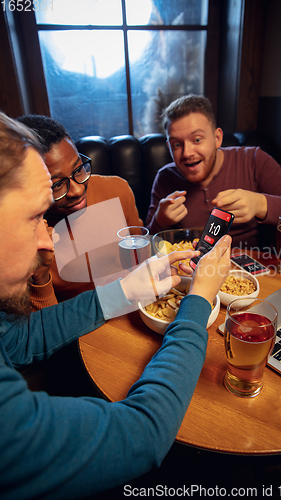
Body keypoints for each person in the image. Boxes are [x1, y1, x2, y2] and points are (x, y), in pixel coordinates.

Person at [0, 111, 231, 499]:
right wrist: (198, 301)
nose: (48, 239)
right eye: (36, 217)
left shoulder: (114, 191)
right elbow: (140, 436)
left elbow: (19, 339)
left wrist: (127, 289)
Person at [145, 95, 281, 249]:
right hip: (192, 268)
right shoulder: (165, 177)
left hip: (248, 270)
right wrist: (160, 221)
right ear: (169, 146)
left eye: (197, 139)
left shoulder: (253, 160)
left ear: (217, 138)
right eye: (177, 144)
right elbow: (145, 245)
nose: (187, 152)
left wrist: (259, 203)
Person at [17, 114, 143, 309]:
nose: (77, 190)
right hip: (79, 330)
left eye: (78, 170)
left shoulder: (118, 190)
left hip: (134, 310)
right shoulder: (28, 235)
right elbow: (43, 330)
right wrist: (40, 276)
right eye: (57, 184)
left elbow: (143, 255)